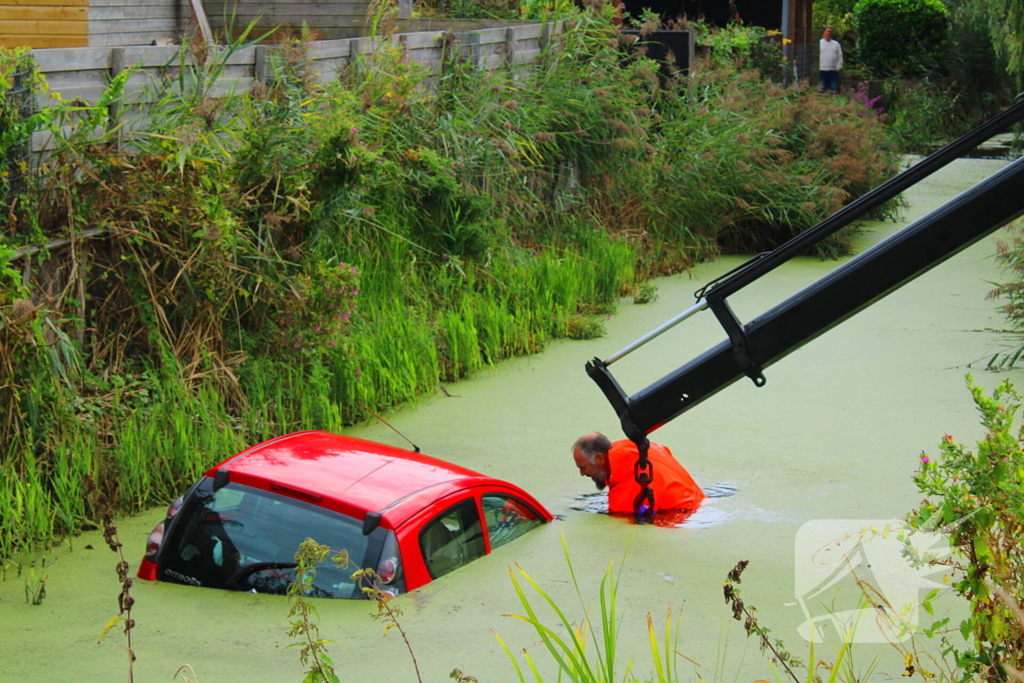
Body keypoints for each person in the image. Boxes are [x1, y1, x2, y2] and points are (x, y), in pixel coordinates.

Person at [571, 432, 705, 515]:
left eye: (583, 467)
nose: (582, 473)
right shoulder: (629, 448)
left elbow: (623, 521)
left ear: (600, 458)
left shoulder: (629, 483)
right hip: (699, 501)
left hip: (683, 517)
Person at [818, 26, 843, 94]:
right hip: (822, 69)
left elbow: (840, 56)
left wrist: (838, 67)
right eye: (828, 31)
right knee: (821, 89)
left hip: (833, 70)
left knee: (833, 89)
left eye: (831, 32)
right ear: (824, 32)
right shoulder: (820, 43)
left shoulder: (836, 44)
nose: (829, 33)